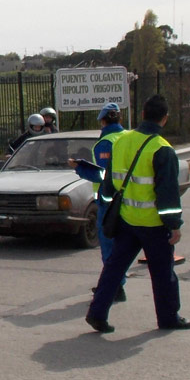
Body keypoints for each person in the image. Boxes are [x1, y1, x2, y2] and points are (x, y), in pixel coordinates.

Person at [86, 95, 190, 333]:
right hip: (154, 224)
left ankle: (97, 313)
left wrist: (106, 207)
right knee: (162, 273)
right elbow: (167, 194)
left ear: (142, 114)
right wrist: (174, 225)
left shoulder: (121, 142)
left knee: (114, 269)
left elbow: (108, 184)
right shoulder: (162, 149)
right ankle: (168, 318)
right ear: (164, 119)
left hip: (126, 220)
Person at [68, 101, 127, 302]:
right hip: (129, 199)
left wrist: (80, 167)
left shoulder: (106, 142)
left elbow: (104, 175)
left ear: (102, 120)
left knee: (109, 247)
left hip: (109, 201)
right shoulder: (128, 137)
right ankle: (115, 284)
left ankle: (115, 287)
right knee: (124, 246)